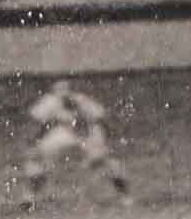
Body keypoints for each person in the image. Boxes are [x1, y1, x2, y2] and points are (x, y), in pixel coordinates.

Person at [20, 77, 128, 210]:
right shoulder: (52, 101)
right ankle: (28, 200)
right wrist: (33, 143)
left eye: (66, 87)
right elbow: (35, 122)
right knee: (37, 161)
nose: (64, 90)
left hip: (82, 135)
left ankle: (124, 197)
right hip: (65, 134)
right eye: (60, 87)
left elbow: (101, 118)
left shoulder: (80, 100)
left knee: (108, 163)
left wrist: (103, 139)